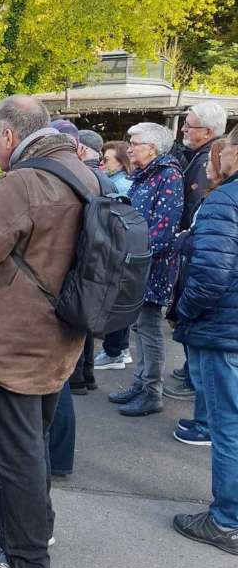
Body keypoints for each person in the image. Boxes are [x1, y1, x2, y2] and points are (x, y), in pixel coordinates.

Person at [0, 95, 101, 568]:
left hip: (13, 345)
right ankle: (38, 527)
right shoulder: (80, 172)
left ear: (9, 136)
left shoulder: (23, 183)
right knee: (33, 442)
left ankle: (27, 561)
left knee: (15, 453)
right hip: (59, 336)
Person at [172, 125, 238, 555]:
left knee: (227, 426)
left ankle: (227, 521)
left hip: (223, 332)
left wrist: (185, 310)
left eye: (226, 148)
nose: (220, 154)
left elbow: (212, 276)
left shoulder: (225, 201)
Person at [109, 123, 183, 417]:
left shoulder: (168, 175)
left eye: (134, 143)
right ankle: (141, 383)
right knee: (140, 327)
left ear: (152, 148)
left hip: (151, 267)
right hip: (138, 263)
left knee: (149, 328)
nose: (129, 149)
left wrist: (131, 255)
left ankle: (151, 392)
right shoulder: (147, 174)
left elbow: (163, 231)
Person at [164, 102, 228, 403]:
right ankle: (193, 375)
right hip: (195, 249)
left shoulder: (210, 160)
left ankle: (195, 379)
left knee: (196, 318)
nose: (184, 130)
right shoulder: (197, 156)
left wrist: (185, 240)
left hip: (197, 253)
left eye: (189, 126)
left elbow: (199, 216)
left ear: (208, 131)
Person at [171, 137, 227, 446]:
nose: (204, 167)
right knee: (207, 372)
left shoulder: (221, 202)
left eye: (209, 162)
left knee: (212, 374)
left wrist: (187, 308)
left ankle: (206, 426)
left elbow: (213, 262)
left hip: (213, 310)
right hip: (213, 306)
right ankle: (204, 421)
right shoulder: (215, 199)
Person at [69, 130, 115, 395]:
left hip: (84, 256)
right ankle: (87, 373)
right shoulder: (106, 179)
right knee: (87, 319)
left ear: (81, 150)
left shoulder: (80, 178)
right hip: (103, 257)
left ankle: (76, 377)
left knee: (74, 320)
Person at [93, 140, 135, 370]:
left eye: (107, 159)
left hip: (119, 252)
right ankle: (119, 350)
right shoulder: (121, 183)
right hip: (122, 251)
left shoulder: (120, 186)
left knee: (116, 303)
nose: (103, 163)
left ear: (121, 162)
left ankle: (115, 352)